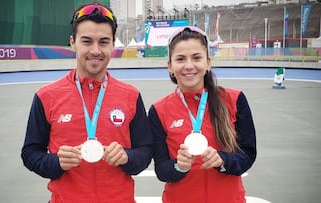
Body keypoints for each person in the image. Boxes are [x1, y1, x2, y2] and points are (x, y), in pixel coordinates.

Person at [21, 3, 152, 202]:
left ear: (113, 44)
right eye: (87, 41)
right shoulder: (46, 96)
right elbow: (30, 153)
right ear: (73, 42)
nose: (95, 50)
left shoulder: (131, 95)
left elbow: (145, 151)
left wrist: (127, 157)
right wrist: (55, 162)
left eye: (103, 42)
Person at [148, 26, 257, 203]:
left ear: (208, 62)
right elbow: (161, 170)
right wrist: (178, 166)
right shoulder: (159, 110)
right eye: (180, 59)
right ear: (170, 66)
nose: (189, 66)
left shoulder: (234, 99)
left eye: (196, 58)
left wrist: (222, 160)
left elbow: (247, 155)